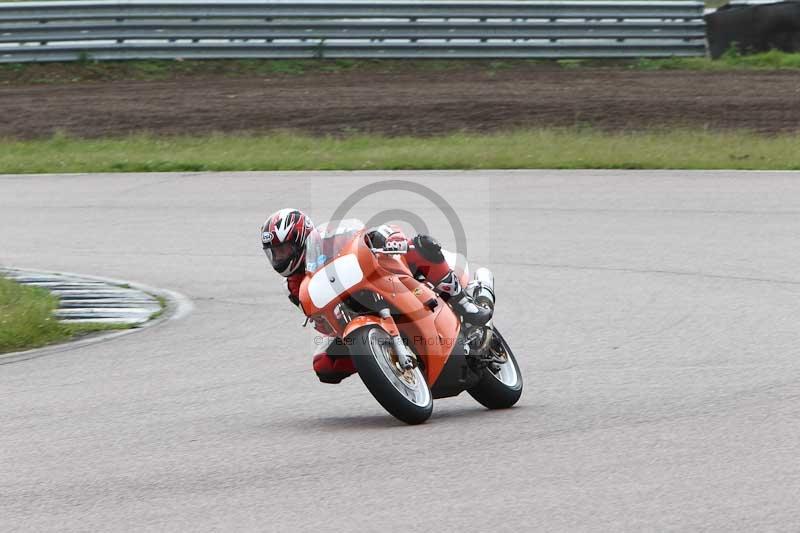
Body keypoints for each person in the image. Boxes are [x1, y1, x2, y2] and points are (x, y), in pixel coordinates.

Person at [261, 208, 491, 383]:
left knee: (420, 245)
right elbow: (317, 317)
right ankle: (380, 360)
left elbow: (366, 234)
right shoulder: (292, 286)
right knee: (324, 366)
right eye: (274, 253)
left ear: (301, 240)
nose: (279, 258)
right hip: (350, 316)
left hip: (381, 275)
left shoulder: (330, 236)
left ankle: (462, 301)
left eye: (283, 250)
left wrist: (387, 237)